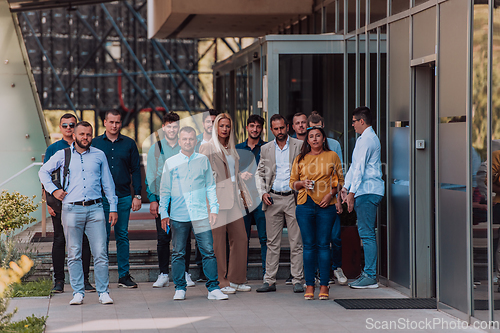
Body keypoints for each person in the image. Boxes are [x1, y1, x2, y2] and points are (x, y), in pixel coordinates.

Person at [39, 121, 117, 305]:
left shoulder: (99, 155)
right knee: (74, 252)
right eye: (82, 134)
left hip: (96, 208)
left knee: (100, 253)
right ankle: (78, 292)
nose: (85, 138)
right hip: (71, 209)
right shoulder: (62, 154)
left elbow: (108, 183)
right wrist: (53, 190)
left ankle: (103, 292)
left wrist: (113, 207)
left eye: (89, 135)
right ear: (74, 135)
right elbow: (43, 172)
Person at [159, 126, 228, 300]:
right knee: (178, 252)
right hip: (178, 215)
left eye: (191, 139)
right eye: (185, 139)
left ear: (195, 141)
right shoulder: (171, 162)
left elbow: (210, 186)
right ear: (180, 141)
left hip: (200, 214)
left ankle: (213, 288)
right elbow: (165, 190)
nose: (188, 142)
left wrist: (214, 209)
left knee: (208, 251)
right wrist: (163, 213)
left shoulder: (203, 160)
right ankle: (180, 288)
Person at [199, 113, 251, 294]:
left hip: (234, 198)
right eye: (221, 126)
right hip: (216, 201)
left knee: (241, 238)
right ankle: (221, 281)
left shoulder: (232, 149)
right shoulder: (207, 147)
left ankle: (236, 279)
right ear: (215, 128)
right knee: (218, 242)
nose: (225, 129)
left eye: (228, 126)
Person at [43, 113, 94, 294]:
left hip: (82, 204)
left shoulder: (86, 147)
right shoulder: (54, 149)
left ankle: (85, 279)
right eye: (65, 125)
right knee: (59, 240)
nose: (68, 128)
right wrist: (48, 201)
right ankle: (59, 281)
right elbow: (45, 175)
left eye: (72, 125)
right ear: (60, 127)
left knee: (84, 241)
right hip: (59, 203)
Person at [290, 126, 343, 300]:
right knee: (308, 246)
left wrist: (331, 195)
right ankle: (310, 284)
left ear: (323, 138)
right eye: (311, 136)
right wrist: (302, 183)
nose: (314, 139)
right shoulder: (300, 158)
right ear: (307, 140)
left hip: (326, 205)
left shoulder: (332, 156)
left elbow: (339, 181)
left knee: (323, 245)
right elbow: (292, 183)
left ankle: (325, 285)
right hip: (305, 205)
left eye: (318, 136)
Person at [92, 109, 142, 288]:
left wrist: (137, 194)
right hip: (101, 198)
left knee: (122, 235)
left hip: (123, 196)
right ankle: (102, 276)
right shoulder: (95, 143)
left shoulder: (129, 143)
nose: (114, 125)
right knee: (101, 237)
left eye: (118, 122)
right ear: (105, 122)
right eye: (111, 122)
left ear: (121, 123)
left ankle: (124, 276)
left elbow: (136, 169)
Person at [255, 114, 304, 293]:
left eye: (282, 128)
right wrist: (262, 193)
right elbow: (259, 173)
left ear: (288, 127)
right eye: (276, 129)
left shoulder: (299, 145)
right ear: (271, 129)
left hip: (293, 198)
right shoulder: (266, 148)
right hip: (272, 198)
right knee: (272, 242)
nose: (280, 131)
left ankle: (298, 279)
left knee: (296, 242)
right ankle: (269, 281)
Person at [145, 112, 194, 288]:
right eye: (168, 126)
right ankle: (164, 274)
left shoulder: (187, 146)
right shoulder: (155, 148)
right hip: (163, 199)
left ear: (179, 128)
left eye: (175, 126)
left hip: (183, 200)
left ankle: (186, 274)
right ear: (163, 127)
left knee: (185, 238)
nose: (172, 129)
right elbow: (150, 176)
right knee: (163, 238)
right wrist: (153, 199)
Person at [341, 106, 385, 289]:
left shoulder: (368, 140)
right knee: (364, 233)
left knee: (367, 235)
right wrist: (345, 187)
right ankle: (367, 274)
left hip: (368, 191)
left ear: (361, 121)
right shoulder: (362, 139)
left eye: (353, 121)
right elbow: (354, 167)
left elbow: (360, 169)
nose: (352, 125)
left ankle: (370, 276)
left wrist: (351, 194)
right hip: (363, 191)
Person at [307, 111, 347, 286]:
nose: (315, 136)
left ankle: (336, 267)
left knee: (335, 236)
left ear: (323, 128)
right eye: (311, 131)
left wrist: (337, 198)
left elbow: (338, 174)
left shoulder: (334, 145)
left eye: (318, 130)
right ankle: (319, 273)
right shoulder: (304, 148)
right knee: (316, 239)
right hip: (311, 200)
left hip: (331, 197)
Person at [235, 114, 267, 276]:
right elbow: (229, 173)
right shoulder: (237, 148)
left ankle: (267, 274)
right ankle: (241, 274)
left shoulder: (268, 148)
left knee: (265, 238)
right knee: (242, 239)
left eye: (258, 126)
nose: (255, 129)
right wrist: (239, 176)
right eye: (252, 126)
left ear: (262, 129)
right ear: (246, 128)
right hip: (243, 199)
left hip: (262, 199)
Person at [194, 109, 218, 282]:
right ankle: (201, 270)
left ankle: (216, 269)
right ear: (203, 123)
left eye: (214, 122)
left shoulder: (222, 142)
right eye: (209, 121)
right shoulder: (195, 142)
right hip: (199, 193)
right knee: (201, 230)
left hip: (219, 193)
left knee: (217, 231)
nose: (211, 125)